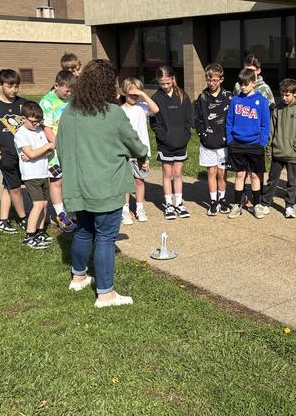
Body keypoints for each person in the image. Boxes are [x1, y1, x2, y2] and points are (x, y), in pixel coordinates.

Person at [57, 59, 148, 307]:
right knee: (106, 237)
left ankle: (78, 277)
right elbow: (134, 143)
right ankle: (105, 293)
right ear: (109, 84)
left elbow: (60, 147)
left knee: (84, 231)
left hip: (77, 186)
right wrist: (142, 155)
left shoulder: (69, 112)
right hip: (104, 186)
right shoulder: (113, 113)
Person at [0, 68, 27, 234]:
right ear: (0, 85)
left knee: (8, 185)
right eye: (10, 86)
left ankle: (2, 220)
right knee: (15, 187)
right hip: (5, 155)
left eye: (16, 86)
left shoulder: (22, 103)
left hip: (22, 154)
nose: (14, 90)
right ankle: (23, 218)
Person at [258, 78, 296, 218]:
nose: (284, 97)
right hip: (278, 152)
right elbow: (271, 131)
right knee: (272, 180)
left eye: (288, 94)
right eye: (282, 94)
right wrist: (269, 148)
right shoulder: (277, 109)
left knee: (292, 181)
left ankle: (289, 206)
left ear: (295, 93)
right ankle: (266, 204)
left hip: (293, 154)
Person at [150, 66, 194, 220]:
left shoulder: (182, 95)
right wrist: (164, 137)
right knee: (167, 174)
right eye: (162, 83)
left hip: (181, 143)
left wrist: (185, 135)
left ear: (173, 79)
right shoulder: (156, 98)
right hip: (165, 144)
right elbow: (154, 123)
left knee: (178, 174)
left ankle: (179, 203)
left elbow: (189, 119)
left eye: (168, 82)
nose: (166, 86)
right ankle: (168, 204)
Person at [226, 68, 271, 219]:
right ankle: (237, 205)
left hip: (255, 145)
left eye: (246, 84)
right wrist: (230, 139)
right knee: (239, 175)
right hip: (237, 144)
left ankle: (256, 205)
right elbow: (229, 121)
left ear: (254, 82)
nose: (243, 87)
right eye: (241, 84)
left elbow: (265, 124)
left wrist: (262, 142)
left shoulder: (261, 101)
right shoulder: (235, 100)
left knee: (254, 176)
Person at [13, 101, 55, 249]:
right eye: (33, 122)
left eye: (39, 121)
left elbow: (48, 151)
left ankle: (40, 231)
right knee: (37, 204)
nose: (36, 124)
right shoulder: (21, 134)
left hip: (43, 172)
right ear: (23, 119)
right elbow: (30, 153)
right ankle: (29, 235)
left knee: (44, 204)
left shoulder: (39, 132)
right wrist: (45, 148)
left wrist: (38, 153)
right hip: (31, 175)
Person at [39, 69, 76, 231]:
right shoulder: (47, 102)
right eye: (67, 90)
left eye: (72, 90)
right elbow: (46, 128)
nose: (70, 94)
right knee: (57, 181)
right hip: (55, 149)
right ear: (57, 85)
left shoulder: (72, 100)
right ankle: (61, 214)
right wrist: (58, 144)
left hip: (72, 146)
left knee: (71, 179)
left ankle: (73, 211)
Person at [195, 63, 232, 216]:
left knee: (222, 173)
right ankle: (213, 201)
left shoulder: (228, 97)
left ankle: (222, 200)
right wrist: (203, 135)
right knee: (211, 172)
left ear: (221, 80)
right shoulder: (202, 97)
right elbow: (198, 120)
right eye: (209, 80)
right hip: (208, 142)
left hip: (224, 143)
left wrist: (230, 137)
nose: (212, 83)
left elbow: (232, 118)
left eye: (215, 80)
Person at [120, 77, 159, 225]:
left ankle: (140, 208)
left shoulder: (142, 107)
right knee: (126, 183)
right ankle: (125, 210)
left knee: (140, 180)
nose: (134, 96)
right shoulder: (120, 110)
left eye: (137, 93)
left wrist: (142, 94)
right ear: (124, 92)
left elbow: (155, 109)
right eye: (131, 93)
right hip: (126, 152)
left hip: (142, 151)